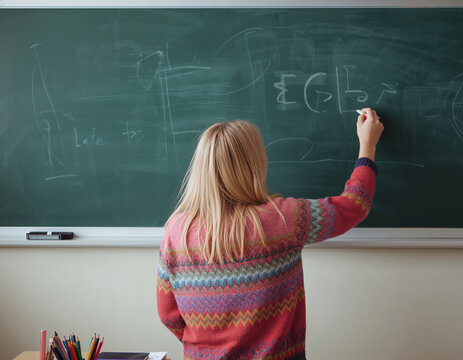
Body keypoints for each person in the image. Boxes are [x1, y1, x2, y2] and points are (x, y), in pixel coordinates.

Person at [157, 108, 384, 360]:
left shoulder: (176, 232)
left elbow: (169, 315)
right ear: (254, 164)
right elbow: (354, 205)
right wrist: (367, 146)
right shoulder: (284, 219)